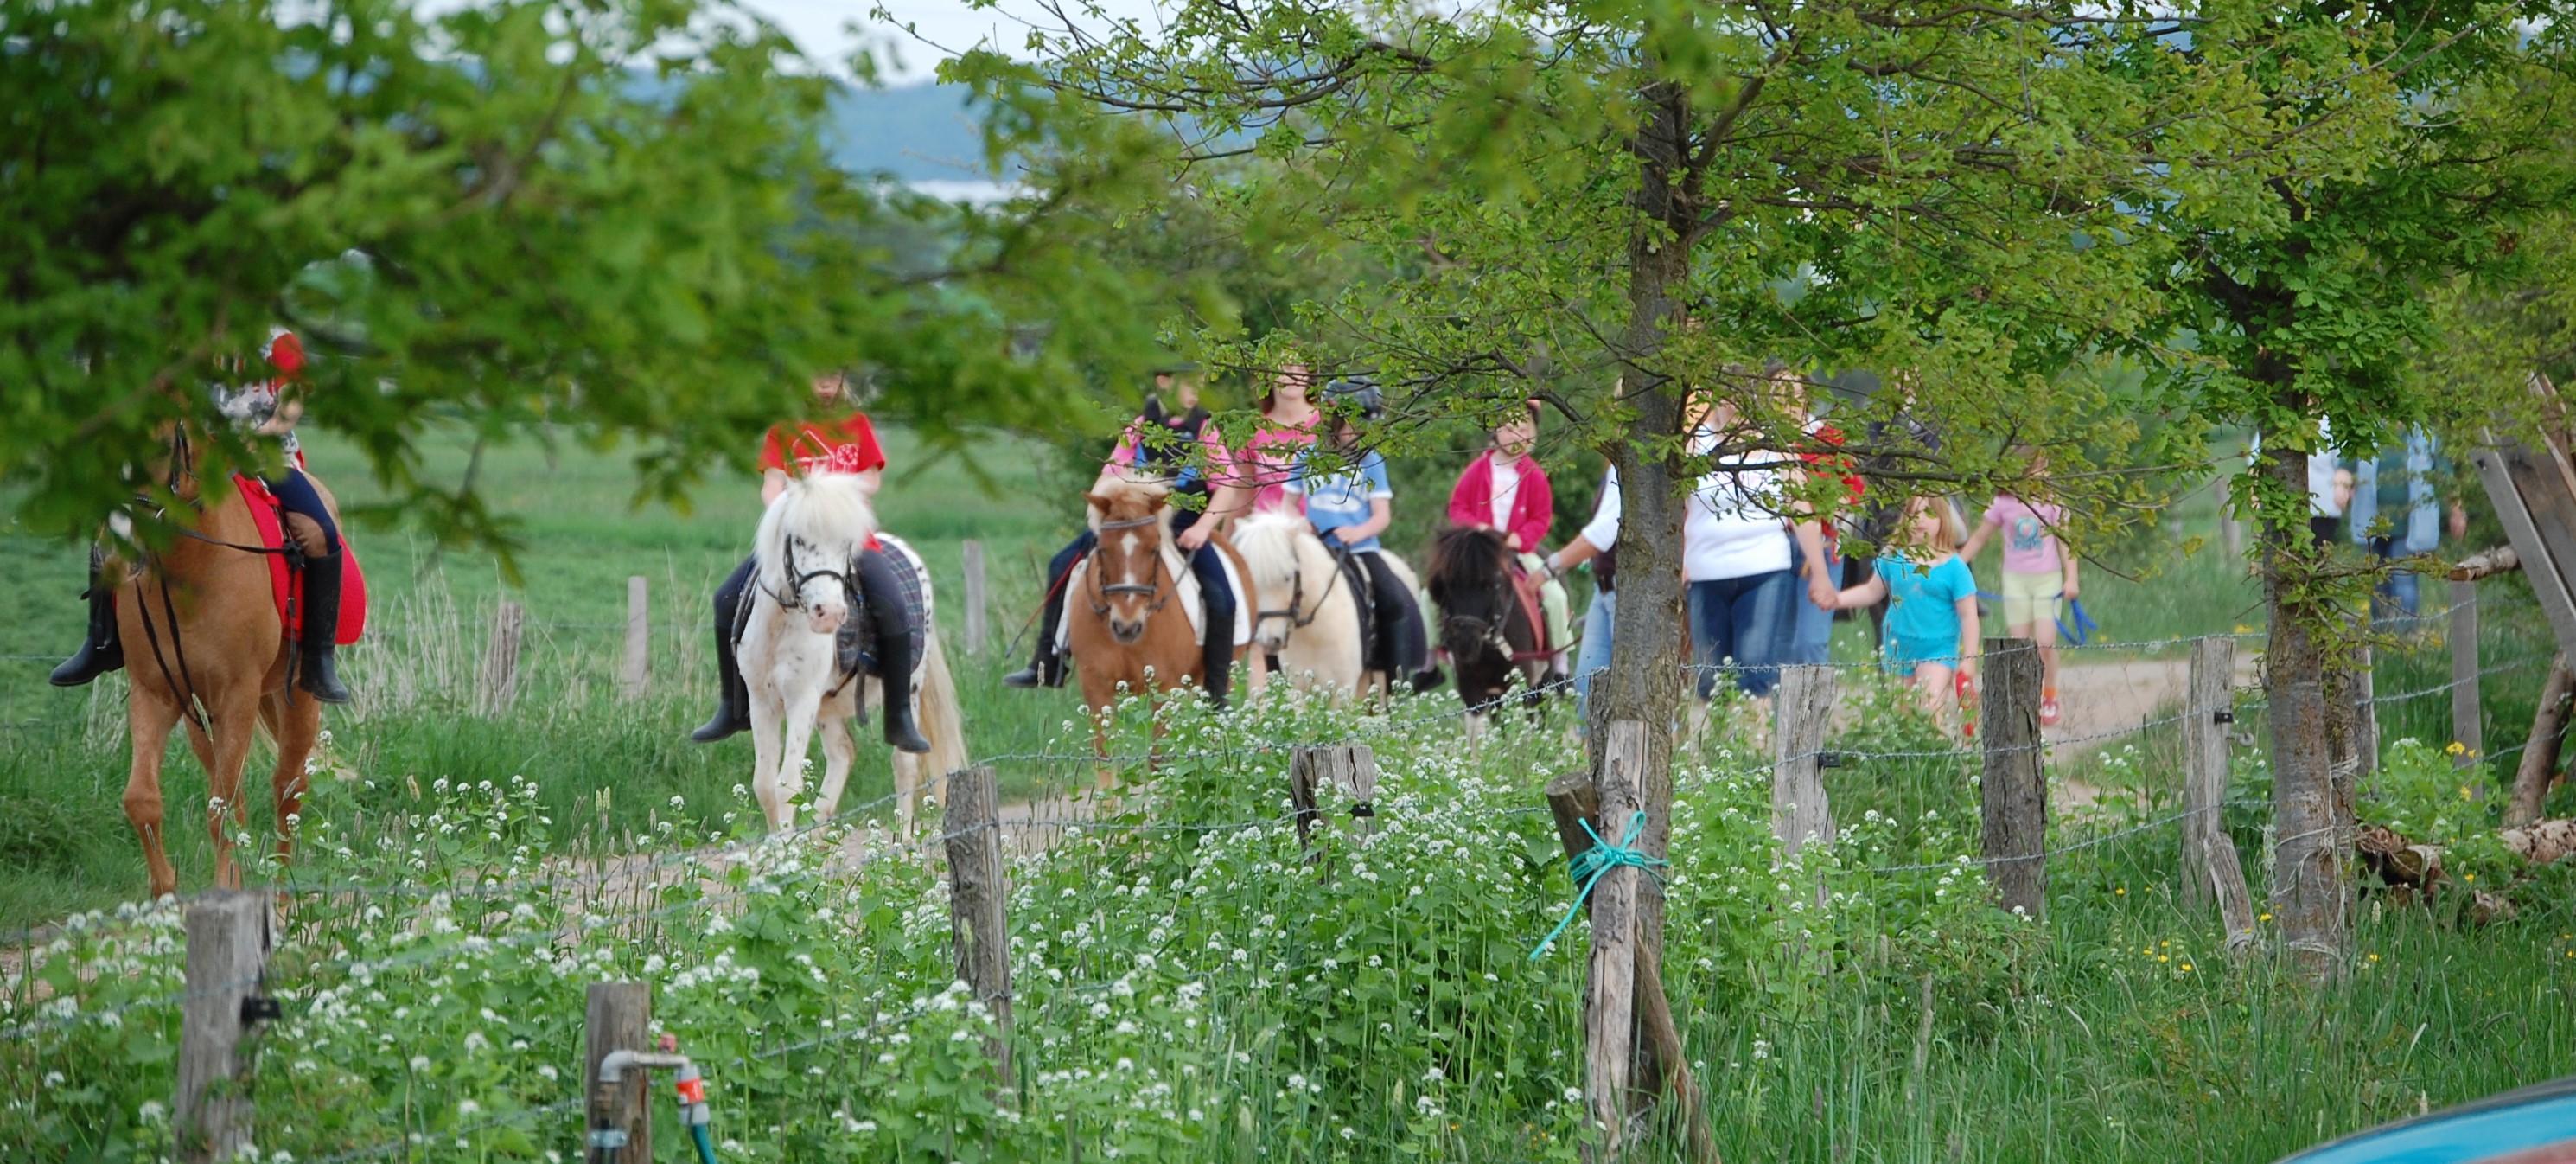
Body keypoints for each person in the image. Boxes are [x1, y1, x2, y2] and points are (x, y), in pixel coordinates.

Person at [52, 328, 353, 704]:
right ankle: (100, 640)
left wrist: (259, 436)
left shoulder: (279, 341)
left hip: (265, 458)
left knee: (319, 530)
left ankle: (318, 659)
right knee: (114, 520)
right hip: (194, 459)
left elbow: (290, 406)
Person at [692, 373, 929, 752]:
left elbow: (870, 480)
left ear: (841, 380)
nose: (825, 384)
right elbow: (772, 486)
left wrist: (828, 492)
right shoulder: (784, 430)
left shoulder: (856, 425)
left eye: (832, 376)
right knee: (725, 599)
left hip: (847, 538)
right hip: (796, 543)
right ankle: (732, 707)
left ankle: (898, 714)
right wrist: (792, 513)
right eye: (817, 375)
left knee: (893, 605)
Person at [1001, 368, 1240, 706]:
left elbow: (1227, 485)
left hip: (1183, 527)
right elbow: (1108, 475)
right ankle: (1047, 661)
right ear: (1163, 382)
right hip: (1130, 523)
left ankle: (1217, 694)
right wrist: (1104, 516)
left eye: (1200, 381)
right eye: (1188, 381)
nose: (1196, 389)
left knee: (1223, 598)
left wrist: (1204, 528)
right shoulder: (1140, 427)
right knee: (1059, 565)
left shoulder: (1205, 429)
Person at [1684, 389, 1837, 701]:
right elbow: (1674, 505)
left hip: (1765, 568)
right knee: (1710, 678)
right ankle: (1723, 746)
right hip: (1705, 573)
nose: (1733, 405)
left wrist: (1820, 573)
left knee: (1754, 669)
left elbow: (1801, 510)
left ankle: (1755, 746)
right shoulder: (1694, 444)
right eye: (1727, 397)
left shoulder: (1775, 446)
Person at [1284, 381, 1436, 691]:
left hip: (1361, 549)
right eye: (1352, 425)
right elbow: (1287, 504)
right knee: (1281, 594)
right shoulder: (1308, 455)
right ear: (1333, 420)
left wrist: (1358, 532)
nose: (1357, 433)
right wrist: (1301, 526)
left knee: (1393, 600)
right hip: (1316, 548)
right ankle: (1279, 666)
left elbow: (1382, 515)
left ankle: (1394, 677)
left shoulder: (1371, 461)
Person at [1444, 401, 1571, 674]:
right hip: (1480, 551)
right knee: (1433, 591)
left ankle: (1560, 662)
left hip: (1518, 551)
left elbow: (1541, 517)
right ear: (1497, 431)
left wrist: (1520, 538)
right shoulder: (1478, 470)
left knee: (1556, 596)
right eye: (1510, 428)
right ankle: (1435, 655)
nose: (1517, 435)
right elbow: (1457, 507)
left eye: (1524, 428)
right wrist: (1476, 528)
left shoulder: (1534, 475)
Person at [1833, 495, 1980, 726]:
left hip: (1937, 649)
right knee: (1901, 718)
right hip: (1898, 646)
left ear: (1943, 519)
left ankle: (1936, 759)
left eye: (1928, 513)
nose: (1920, 520)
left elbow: (1968, 615)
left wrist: (1970, 658)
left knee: (1930, 711)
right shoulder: (1892, 558)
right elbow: (1872, 592)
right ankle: (1906, 762)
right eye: (1913, 514)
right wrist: (1836, 599)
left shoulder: (1955, 567)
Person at [1960, 449, 2078, 726]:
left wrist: (2071, 578)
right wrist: (1956, 566)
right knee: (2019, 645)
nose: (2043, 473)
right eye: (2038, 467)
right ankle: (2024, 699)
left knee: (2045, 643)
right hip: (2016, 580)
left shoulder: (2052, 503)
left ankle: (2049, 695)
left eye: (2044, 466)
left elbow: (2066, 543)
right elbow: (1978, 538)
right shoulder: (2004, 503)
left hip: (2047, 579)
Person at [2346, 427, 2468, 619]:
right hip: (2371, 525)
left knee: (2404, 582)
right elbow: (2345, 468)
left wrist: (2456, 511)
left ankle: (2405, 637)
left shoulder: (2426, 437)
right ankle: (2381, 638)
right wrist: (2341, 487)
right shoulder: (2367, 432)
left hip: (2410, 528)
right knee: (2377, 585)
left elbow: (2446, 477)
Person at [1543, 465, 1619, 716]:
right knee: (1588, 684)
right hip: (1603, 587)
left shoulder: (1634, 462)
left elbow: (1604, 532)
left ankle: (1558, 664)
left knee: (1553, 597)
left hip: (1623, 588)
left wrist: (1549, 568)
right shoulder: (1611, 467)